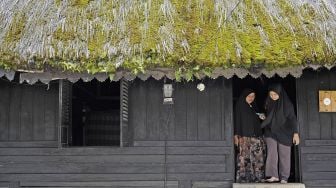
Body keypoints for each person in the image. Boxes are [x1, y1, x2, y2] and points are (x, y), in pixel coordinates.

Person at [261, 84, 300, 184]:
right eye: (271, 94)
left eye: (275, 94)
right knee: (272, 153)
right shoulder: (268, 102)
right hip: (270, 131)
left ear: (280, 94)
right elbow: (267, 115)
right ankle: (273, 175)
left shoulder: (287, 105)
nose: (273, 96)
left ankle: (284, 177)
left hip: (285, 132)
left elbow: (293, 119)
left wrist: (295, 133)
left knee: (284, 155)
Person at [234, 88, 266, 183]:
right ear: (245, 96)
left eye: (253, 96)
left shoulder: (254, 106)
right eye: (249, 96)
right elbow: (237, 120)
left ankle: (258, 178)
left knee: (257, 158)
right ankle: (244, 178)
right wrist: (236, 135)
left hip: (256, 136)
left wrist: (262, 116)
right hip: (244, 136)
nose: (251, 98)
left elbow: (258, 119)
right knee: (244, 158)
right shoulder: (240, 105)